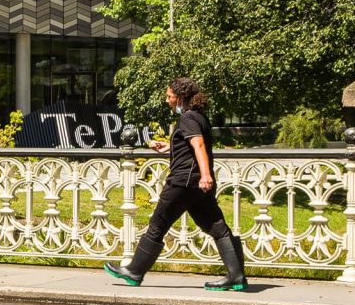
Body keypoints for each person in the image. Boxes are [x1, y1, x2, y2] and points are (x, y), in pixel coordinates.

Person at [104, 77, 249, 291]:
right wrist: (171, 148)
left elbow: (198, 145)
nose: (167, 100)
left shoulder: (188, 118)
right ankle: (236, 277)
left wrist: (206, 175)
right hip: (197, 185)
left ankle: (134, 271)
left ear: (180, 98)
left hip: (183, 182)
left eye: (169, 96)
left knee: (158, 223)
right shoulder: (199, 116)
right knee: (217, 226)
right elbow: (192, 147)